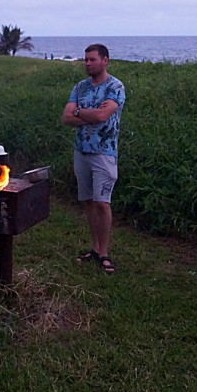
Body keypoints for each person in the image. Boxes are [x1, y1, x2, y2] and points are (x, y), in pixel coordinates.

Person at [61, 43, 125, 274]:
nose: (87, 63)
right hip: (81, 151)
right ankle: (95, 248)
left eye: (92, 60)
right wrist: (84, 114)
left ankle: (105, 252)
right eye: (85, 60)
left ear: (105, 60)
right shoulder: (80, 87)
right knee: (88, 200)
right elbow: (66, 118)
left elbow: (102, 115)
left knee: (102, 202)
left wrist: (80, 112)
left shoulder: (115, 87)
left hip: (104, 153)